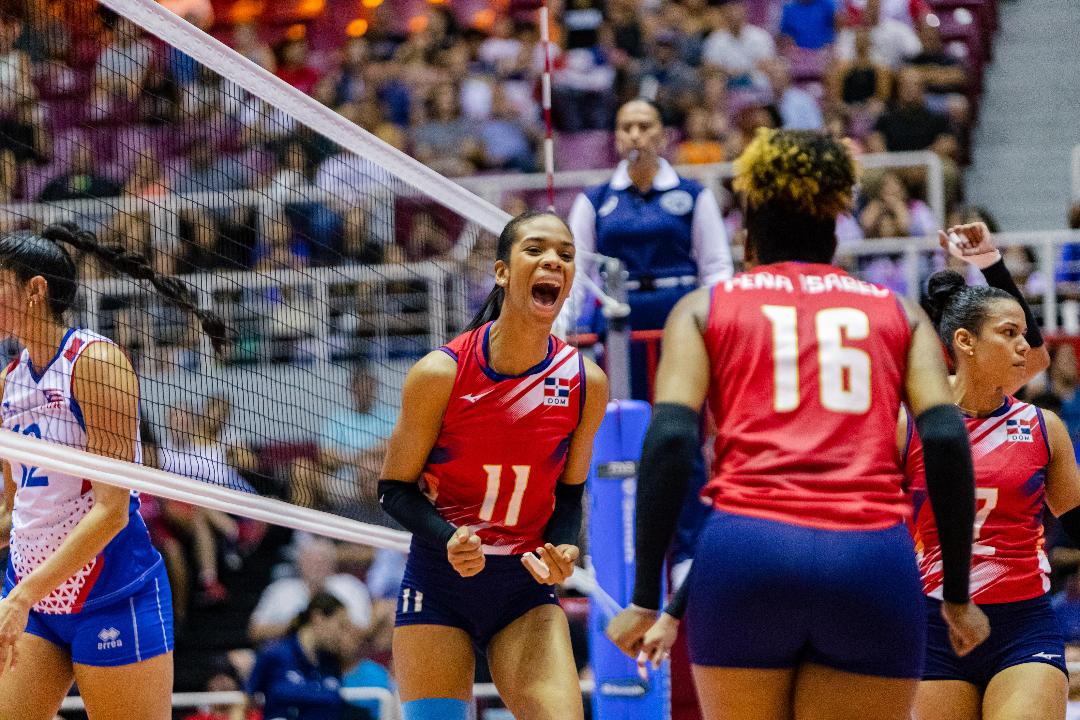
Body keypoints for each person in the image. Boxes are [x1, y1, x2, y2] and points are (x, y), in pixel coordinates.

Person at [606, 129, 989, 719]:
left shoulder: (704, 308)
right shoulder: (899, 312)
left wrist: (642, 599)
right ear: (837, 220)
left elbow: (671, 442)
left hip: (746, 552)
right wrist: (958, 595)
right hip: (869, 560)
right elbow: (942, 438)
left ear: (749, 225)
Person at [378, 210, 608, 720]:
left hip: (524, 592)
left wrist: (565, 545)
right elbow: (393, 489)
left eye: (565, 256)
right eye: (536, 250)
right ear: (502, 272)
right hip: (439, 584)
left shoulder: (585, 382)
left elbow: (568, 496)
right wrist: (448, 537)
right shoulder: (441, 373)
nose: (553, 260)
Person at [0, 222, 228, 719]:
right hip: (34, 597)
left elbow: (112, 511)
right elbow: (13, 504)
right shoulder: (9, 383)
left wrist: (21, 595)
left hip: (110, 591)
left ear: (35, 290)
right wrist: (21, 586)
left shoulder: (97, 364)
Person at [908, 224, 1076, 720]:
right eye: (1009, 335)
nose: (1025, 347)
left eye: (1023, 334)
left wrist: (991, 263)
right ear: (964, 342)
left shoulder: (1040, 425)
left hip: (1022, 622)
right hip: (935, 623)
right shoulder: (916, 418)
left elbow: (1077, 520)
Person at [562, 98, 733, 400]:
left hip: (679, 311)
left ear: (663, 136)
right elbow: (576, 273)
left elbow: (715, 265)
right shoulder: (594, 200)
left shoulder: (694, 195)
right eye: (627, 127)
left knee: (680, 406)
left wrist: (717, 321)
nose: (636, 134)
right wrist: (562, 326)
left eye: (645, 126)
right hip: (618, 318)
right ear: (616, 139)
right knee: (624, 406)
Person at [246, 592, 353, 720]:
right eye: (340, 626)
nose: (342, 635)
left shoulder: (332, 662)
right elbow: (246, 701)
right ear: (318, 618)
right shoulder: (274, 655)